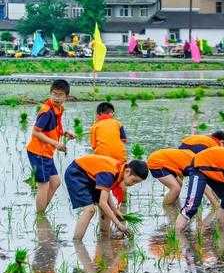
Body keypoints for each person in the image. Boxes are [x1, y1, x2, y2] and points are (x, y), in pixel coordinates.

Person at [62, 154, 148, 241]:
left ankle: (104, 237)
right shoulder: (110, 173)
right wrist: (118, 224)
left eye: (136, 183)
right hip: (76, 173)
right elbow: (103, 202)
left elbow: (106, 193)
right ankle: (77, 242)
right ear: (127, 171)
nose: (133, 184)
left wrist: (115, 211)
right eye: (133, 181)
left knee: (105, 209)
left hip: (90, 177)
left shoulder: (120, 171)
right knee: (90, 210)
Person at [27, 78, 73, 214]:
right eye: (54, 94)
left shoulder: (57, 109)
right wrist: (55, 144)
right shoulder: (47, 112)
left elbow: (53, 128)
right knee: (44, 185)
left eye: (60, 95)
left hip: (46, 153)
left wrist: (65, 133)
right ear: (50, 93)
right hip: (38, 153)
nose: (56, 97)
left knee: (56, 182)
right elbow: (35, 132)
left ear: (66, 96)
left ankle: (41, 212)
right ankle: (40, 216)